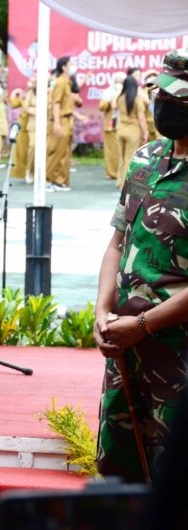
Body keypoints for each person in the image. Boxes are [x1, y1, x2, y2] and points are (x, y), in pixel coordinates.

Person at [93, 48, 188, 485]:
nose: (164, 107)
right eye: (162, 97)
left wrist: (144, 325)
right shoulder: (146, 159)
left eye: (178, 101)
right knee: (118, 471)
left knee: (173, 481)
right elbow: (117, 243)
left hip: (177, 355)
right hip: (125, 352)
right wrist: (101, 312)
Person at [45, 56, 75, 192]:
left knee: (64, 153)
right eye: (71, 64)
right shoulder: (61, 82)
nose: (73, 66)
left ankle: (59, 180)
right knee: (55, 151)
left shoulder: (67, 82)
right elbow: (56, 103)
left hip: (66, 119)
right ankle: (46, 179)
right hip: (60, 119)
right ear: (64, 67)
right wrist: (57, 122)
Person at [114, 75, 148, 189]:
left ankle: (119, 181)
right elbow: (141, 118)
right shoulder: (137, 100)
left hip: (121, 130)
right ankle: (125, 184)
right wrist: (145, 132)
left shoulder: (120, 98)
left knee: (122, 157)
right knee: (129, 158)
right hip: (133, 131)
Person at [99, 71, 126, 180]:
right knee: (111, 151)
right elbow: (101, 107)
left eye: (121, 81)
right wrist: (110, 100)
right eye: (117, 80)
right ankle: (111, 172)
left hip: (123, 125)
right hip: (110, 125)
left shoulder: (126, 93)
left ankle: (121, 173)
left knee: (122, 150)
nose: (118, 82)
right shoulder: (108, 92)